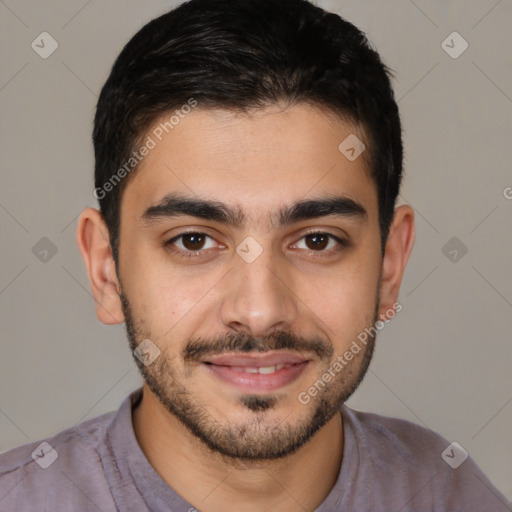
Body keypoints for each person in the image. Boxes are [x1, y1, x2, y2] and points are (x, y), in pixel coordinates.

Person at [1, 0, 509, 510]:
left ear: (389, 265)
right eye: (193, 241)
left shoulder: (454, 495)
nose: (261, 311)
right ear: (106, 270)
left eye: (317, 240)